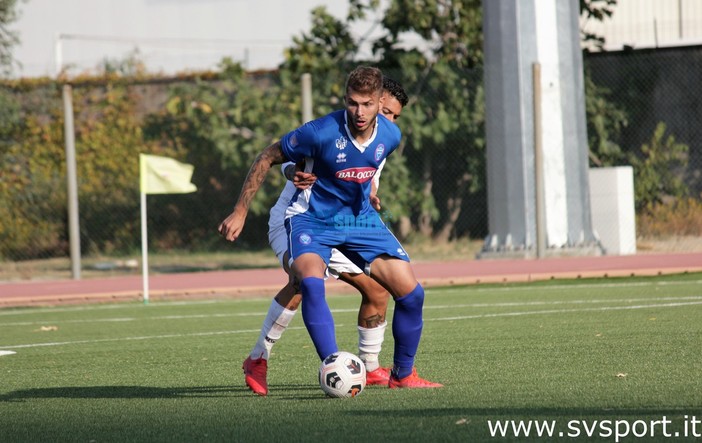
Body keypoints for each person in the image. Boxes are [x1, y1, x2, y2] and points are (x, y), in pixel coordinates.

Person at [219, 66, 442, 391]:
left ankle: (393, 373)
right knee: (305, 281)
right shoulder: (321, 131)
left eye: (389, 113)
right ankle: (286, 360)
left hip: (355, 222)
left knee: (399, 291)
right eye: (356, 103)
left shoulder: (388, 137)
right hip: (305, 217)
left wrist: (371, 197)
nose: (363, 112)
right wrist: (242, 210)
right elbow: (277, 158)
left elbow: (363, 177)